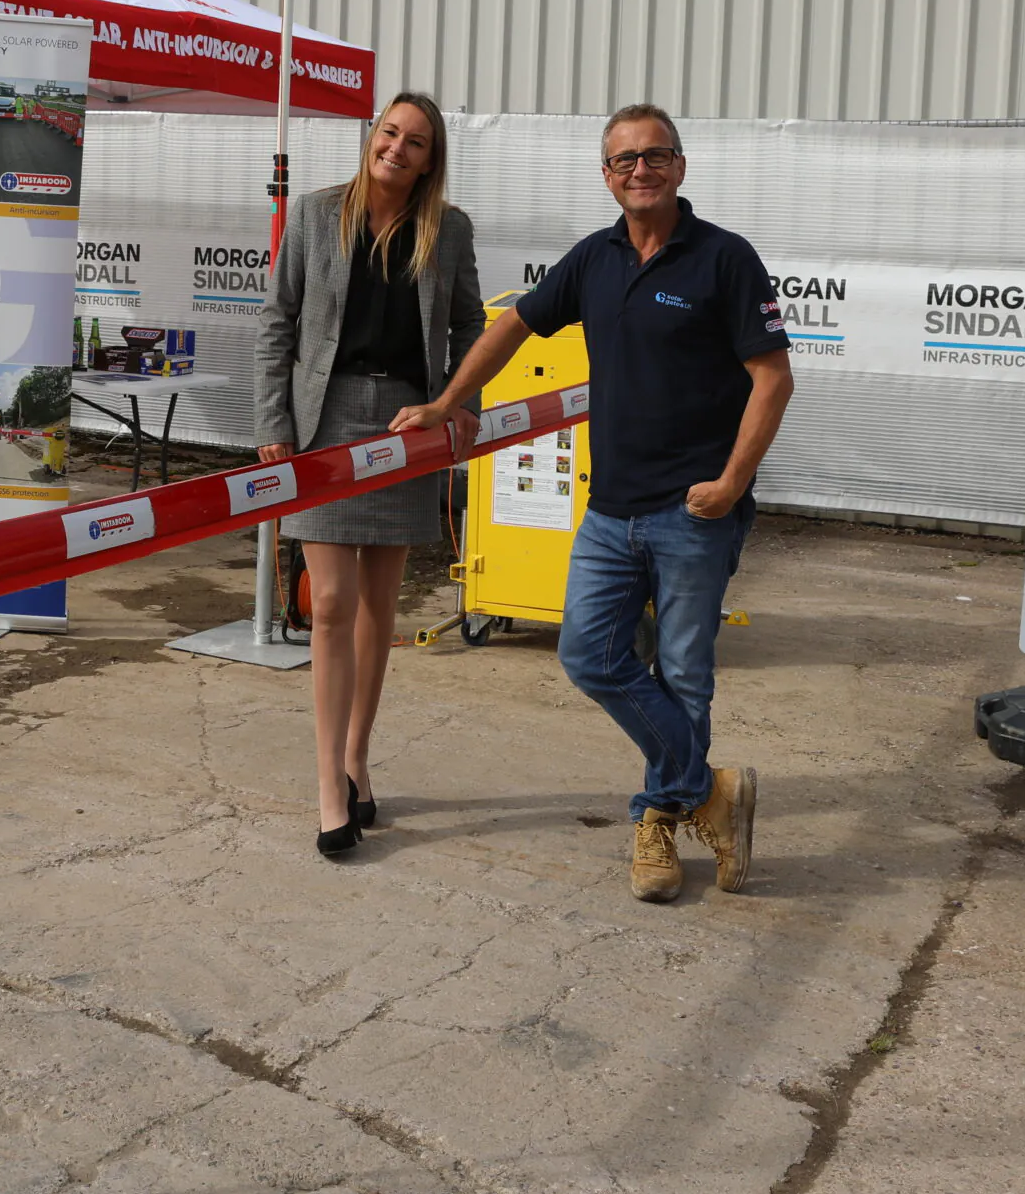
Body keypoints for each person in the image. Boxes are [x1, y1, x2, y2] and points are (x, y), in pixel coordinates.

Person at [394, 104, 792, 902]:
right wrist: (449, 401)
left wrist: (734, 483)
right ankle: (709, 791)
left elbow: (772, 378)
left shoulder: (724, 259)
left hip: (695, 513)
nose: (639, 172)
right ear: (605, 175)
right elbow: (514, 325)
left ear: (680, 167)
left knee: (683, 674)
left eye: (654, 157)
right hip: (611, 512)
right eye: (623, 162)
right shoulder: (595, 258)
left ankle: (656, 821)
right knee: (588, 655)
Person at [255, 92, 483, 859]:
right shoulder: (318, 215)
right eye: (389, 133)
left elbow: (471, 325)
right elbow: (276, 322)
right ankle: (327, 786)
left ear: (430, 159)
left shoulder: (448, 231)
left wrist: (457, 404)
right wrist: (273, 426)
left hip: (406, 421)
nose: (397, 148)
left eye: (415, 141)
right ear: (372, 138)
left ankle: (357, 757)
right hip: (324, 421)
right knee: (330, 602)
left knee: (380, 608)